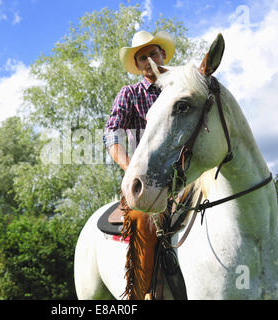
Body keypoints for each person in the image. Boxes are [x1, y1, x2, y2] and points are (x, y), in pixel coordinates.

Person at [102, 30, 175, 300]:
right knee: (143, 219)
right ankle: (142, 292)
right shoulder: (129, 94)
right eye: (142, 57)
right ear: (137, 65)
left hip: (187, 171)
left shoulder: (178, 87)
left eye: (153, 54)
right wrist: (132, 169)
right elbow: (112, 134)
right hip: (148, 178)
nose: (148, 60)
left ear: (163, 55)